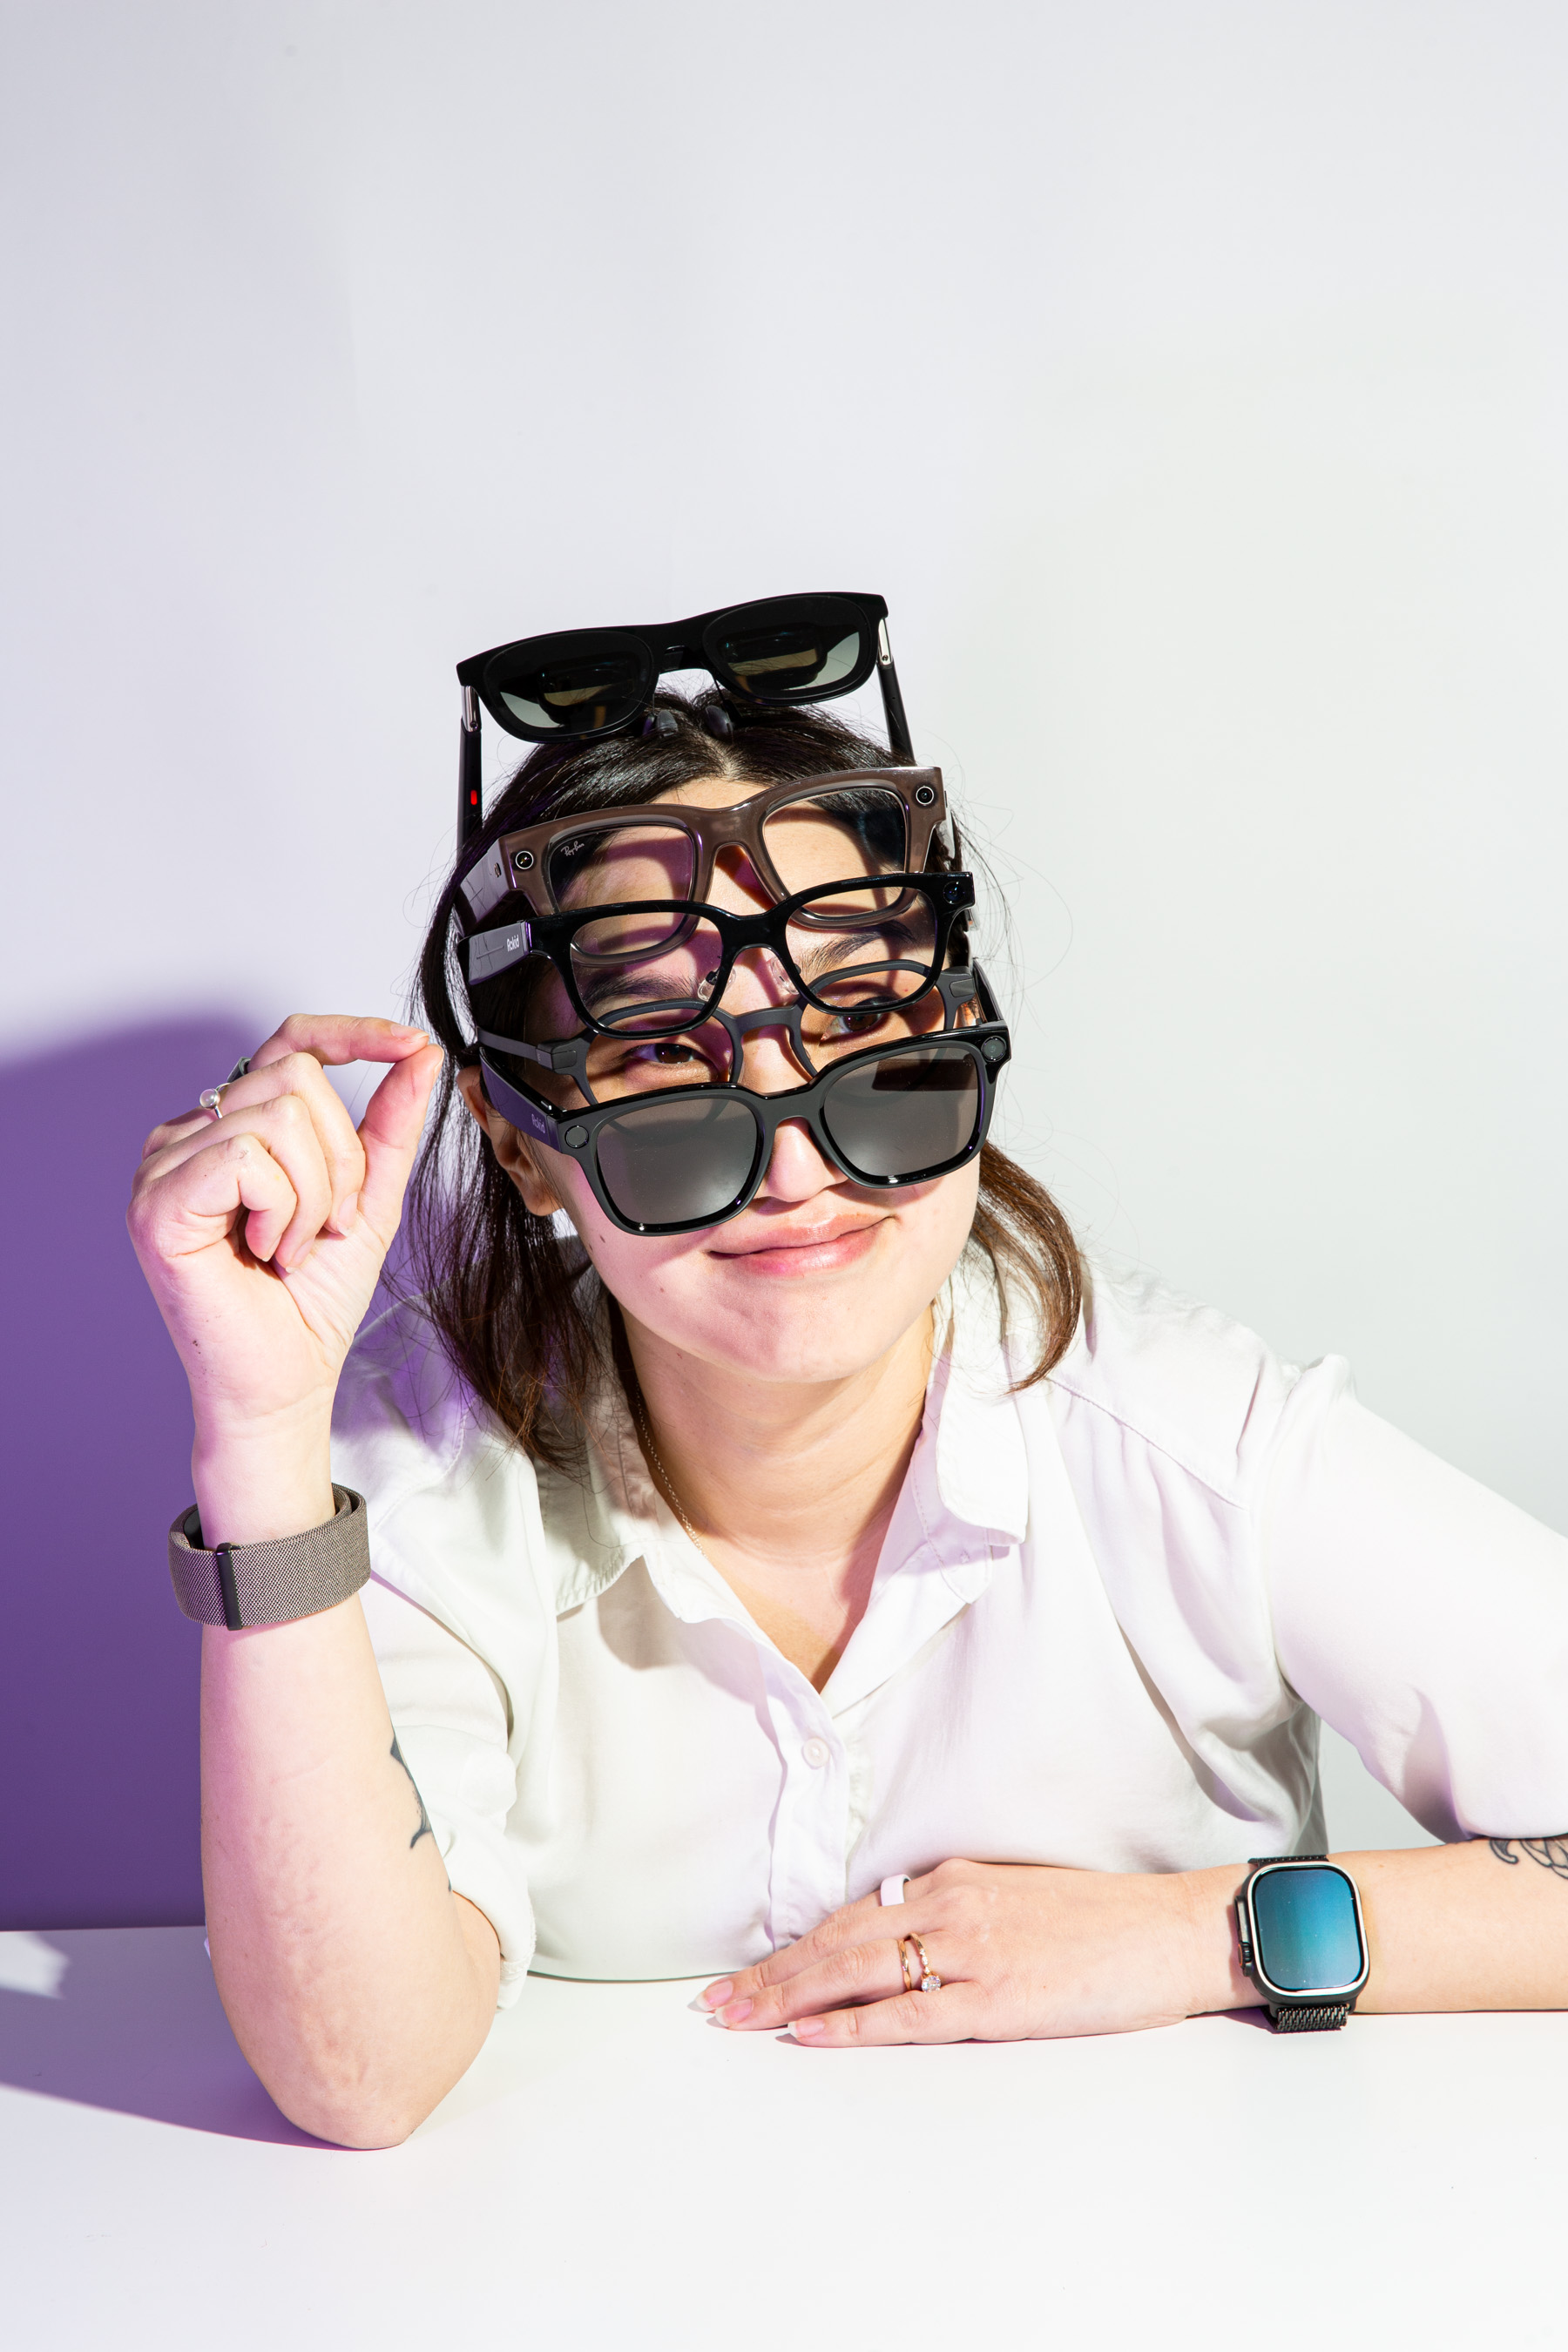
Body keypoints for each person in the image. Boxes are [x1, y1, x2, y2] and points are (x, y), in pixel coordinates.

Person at [130, 680, 1568, 2151]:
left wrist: (1196, 1938)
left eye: (863, 1024)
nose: (796, 1163)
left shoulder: (1194, 1446)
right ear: (524, 1148)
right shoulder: (419, 1473)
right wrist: (256, 1435)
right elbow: (359, 2073)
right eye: (665, 1061)